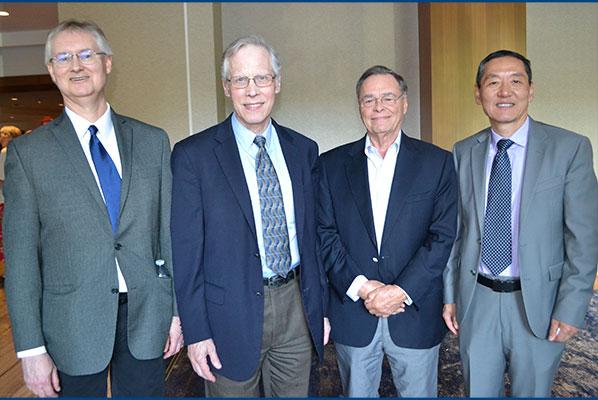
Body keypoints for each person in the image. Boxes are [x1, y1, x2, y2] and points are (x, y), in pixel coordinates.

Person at [3, 20, 183, 397]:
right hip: (70, 325)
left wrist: (178, 312)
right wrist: (31, 349)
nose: (76, 65)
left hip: (146, 317)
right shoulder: (28, 154)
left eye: (87, 54)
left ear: (108, 63)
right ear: (52, 71)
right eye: (63, 58)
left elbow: (169, 233)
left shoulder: (152, 141)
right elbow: (20, 259)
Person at [171, 35, 329, 397]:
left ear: (277, 83)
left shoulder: (303, 150)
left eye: (261, 78)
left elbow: (314, 239)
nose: (252, 90)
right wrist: (196, 332)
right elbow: (186, 253)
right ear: (227, 87)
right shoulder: (193, 156)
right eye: (240, 80)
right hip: (228, 315)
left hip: (296, 307)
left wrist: (321, 309)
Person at [443, 49, 598, 397]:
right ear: (478, 93)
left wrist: (572, 308)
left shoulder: (569, 148)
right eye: (493, 82)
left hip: (540, 302)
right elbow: (455, 232)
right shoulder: (463, 151)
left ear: (531, 90)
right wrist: (450, 294)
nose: (505, 92)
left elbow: (584, 239)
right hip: (477, 298)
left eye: (516, 81)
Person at [318, 65, 457, 397]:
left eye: (387, 97)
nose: (378, 107)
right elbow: (324, 234)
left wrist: (399, 291)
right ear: (359, 106)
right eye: (369, 99)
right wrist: (365, 289)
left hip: (414, 311)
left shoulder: (437, 163)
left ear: (404, 103)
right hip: (353, 310)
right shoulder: (330, 165)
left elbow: (442, 237)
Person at [0, 125, 22, 286]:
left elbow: (2, 180)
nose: (1, 137)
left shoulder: (6, 152)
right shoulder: (21, 150)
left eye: (4, 134)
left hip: (4, 200)